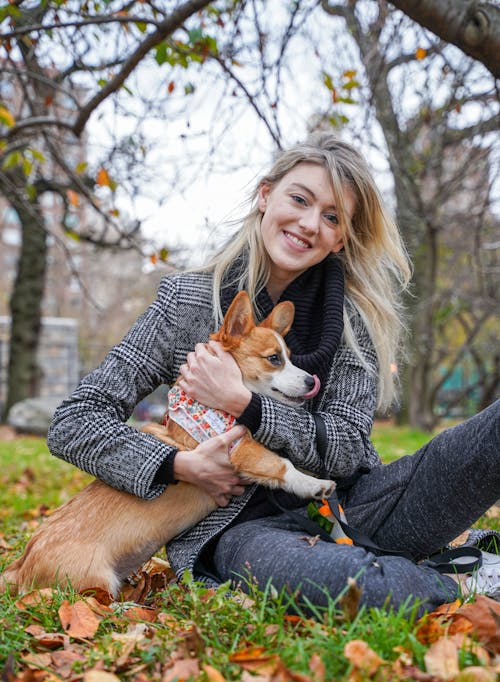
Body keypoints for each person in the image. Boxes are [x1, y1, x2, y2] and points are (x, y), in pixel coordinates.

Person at [47, 132, 500, 617]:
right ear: (266, 196)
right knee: (354, 588)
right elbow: (74, 421)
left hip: (358, 505)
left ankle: (414, 557)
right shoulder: (186, 301)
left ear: (342, 237)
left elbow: (346, 450)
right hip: (243, 533)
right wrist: (178, 465)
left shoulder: (354, 320)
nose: (309, 224)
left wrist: (248, 407)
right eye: (300, 200)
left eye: (332, 217)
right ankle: (460, 579)